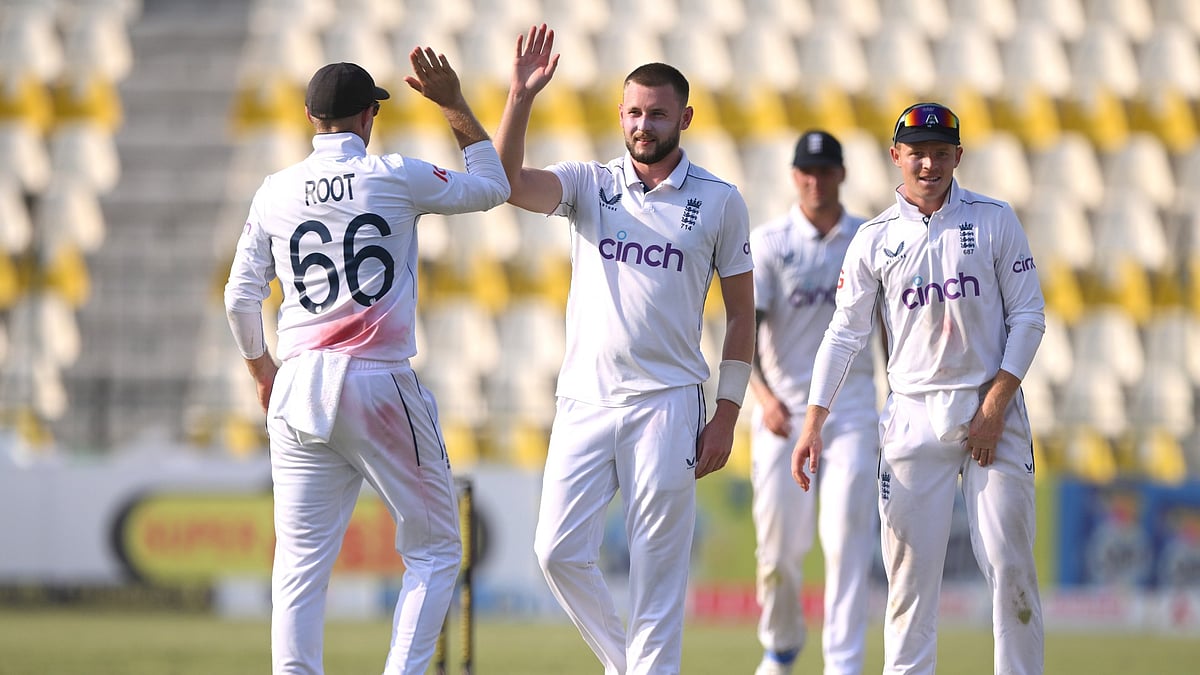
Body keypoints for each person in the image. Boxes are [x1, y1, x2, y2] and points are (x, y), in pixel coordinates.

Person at [223, 52, 510, 675]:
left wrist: (261, 373)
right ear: (369, 116)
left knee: (299, 564)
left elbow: (239, 296)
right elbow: (493, 186)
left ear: (308, 117)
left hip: (297, 382)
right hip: (376, 378)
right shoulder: (394, 173)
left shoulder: (274, 190)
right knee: (435, 549)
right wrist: (452, 103)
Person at [494, 24, 756, 675]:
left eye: (658, 113)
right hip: (584, 397)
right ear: (620, 114)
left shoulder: (720, 201)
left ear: (684, 117)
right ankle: (628, 664)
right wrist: (519, 97)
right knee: (555, 549)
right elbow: (505, 183)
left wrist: (727, 410)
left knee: (657, 568)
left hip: (667, 402)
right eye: (634, 112)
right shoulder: (590, 182)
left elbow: (744, 311)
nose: (644, 125)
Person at [792, 102, 1046, 674]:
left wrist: (995, 406)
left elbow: (1030, 316)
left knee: (1011, 570)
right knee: (908, 584)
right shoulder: (874, 238)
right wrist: (814, 422)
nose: (928, 164)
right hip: (911, 418)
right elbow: (843, 334)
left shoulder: (994, 219)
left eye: (940, 152)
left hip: (993, 417)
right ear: (895, 156)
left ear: (958, 155)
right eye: (917, 153)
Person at [748, 130, 880, 675]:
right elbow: (743, 331)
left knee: (848, 534)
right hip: (783, 413)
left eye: (825, 171)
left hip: (850, 411)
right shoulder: (772, 242)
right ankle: (780, 648)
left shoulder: (869, 238)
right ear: (794, 175)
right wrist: (765, 398)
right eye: (806, 171)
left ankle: (843, 664)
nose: (815, 181)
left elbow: (888, 328)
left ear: (842, 174)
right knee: (778, 549)